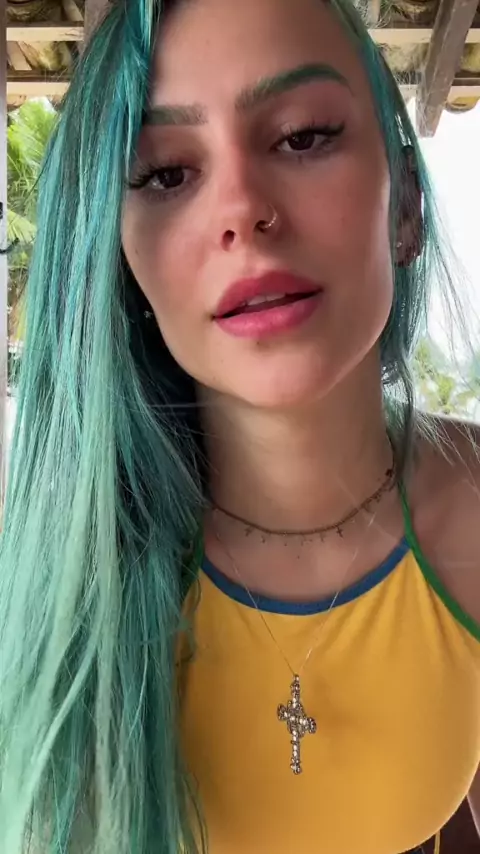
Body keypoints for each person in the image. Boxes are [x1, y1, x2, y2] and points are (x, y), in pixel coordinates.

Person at [0, 0, 479, 851]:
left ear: (405, 203)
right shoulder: (56, 579)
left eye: (302, 136)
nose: (242, 209)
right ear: (119, 256)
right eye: (164, 174)